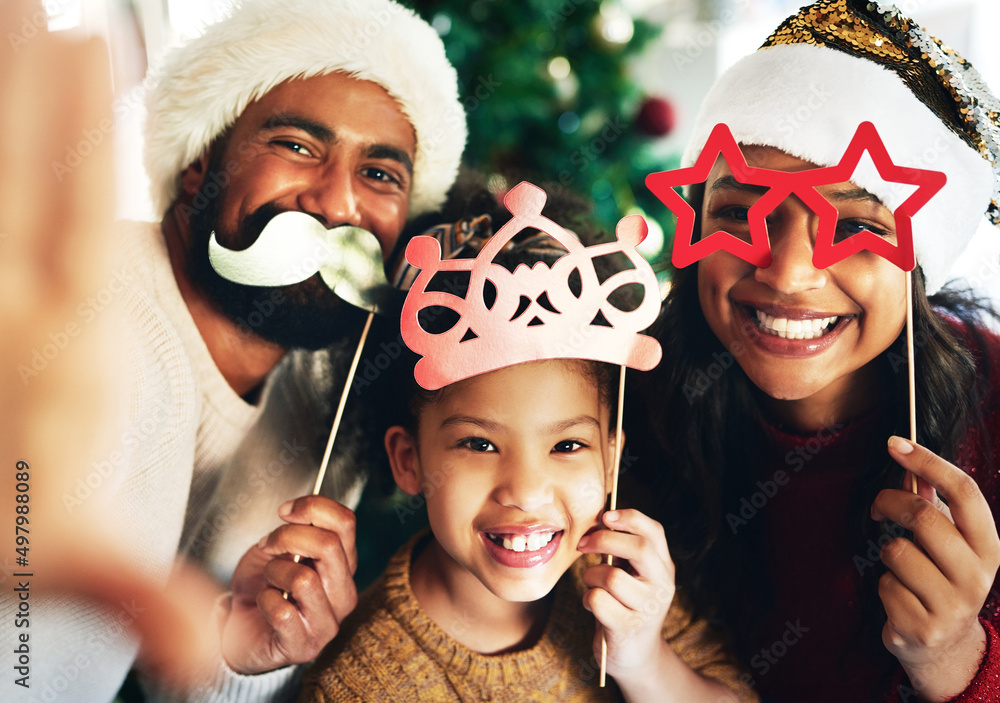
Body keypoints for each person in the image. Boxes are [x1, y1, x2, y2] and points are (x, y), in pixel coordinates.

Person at [0, 0, 467, 701]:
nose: (337, 204)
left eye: (379, 174)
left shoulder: (331, 387)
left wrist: (239, 649)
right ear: (199, 162)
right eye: (298, 146)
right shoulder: (72, 311)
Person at [632, 1, 1000, 701]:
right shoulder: (620, 404)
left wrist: (960, 658)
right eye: (740, 213)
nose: (789, 274)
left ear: (921, 258)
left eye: (857, 225)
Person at [297, 183, 757, 702]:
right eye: (478, 444)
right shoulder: (361, 684)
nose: (527, 491)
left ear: (612, 458)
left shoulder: (619, 580)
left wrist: (644, 658)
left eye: (566, 447)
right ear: (409, 461)